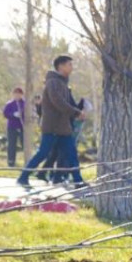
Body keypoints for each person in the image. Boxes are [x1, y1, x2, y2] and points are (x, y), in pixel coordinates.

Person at [17, 56, 86, 189]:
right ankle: (23, 177)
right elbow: (58, 102)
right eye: (69, 65)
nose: (72, 67)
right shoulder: (53, 83)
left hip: (63, 128)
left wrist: (77, 111)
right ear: (61, 66)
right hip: (52, 127)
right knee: (42, 153)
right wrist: (76, 112)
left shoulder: (63, 83)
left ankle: (78, 181)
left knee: (72, 154)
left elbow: (67, 103)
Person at [2, 87, 26, 167]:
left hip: (22, 127)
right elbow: (5, 114)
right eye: (15, 93)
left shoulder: (25, 103)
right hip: (12, 127)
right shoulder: (9, 104)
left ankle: (27, 161)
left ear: (21, 94)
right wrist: (13, 114)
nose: (17, 95)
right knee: (12, 145)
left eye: (19, 93)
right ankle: (11, 162)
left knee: (24, 144)